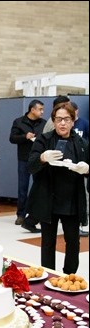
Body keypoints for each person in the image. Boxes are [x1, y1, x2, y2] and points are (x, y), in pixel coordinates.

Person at [26, 102, 89, 275]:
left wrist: (87, 169)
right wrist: (42, 157)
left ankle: (69, 276)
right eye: (59, 119)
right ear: (53, 121)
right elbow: (30, 166)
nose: (62, 123)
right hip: (49, 199)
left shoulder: (82, 143)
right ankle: (49, 275)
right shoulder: (43, 139)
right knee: (48, 242)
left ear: (73, 121)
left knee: (73, 242)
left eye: (66, 119)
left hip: (72, 201)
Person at [9, 99, 46, 232]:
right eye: (40, 109)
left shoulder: (44, 123)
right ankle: (21, 215)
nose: (42, 112)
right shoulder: (19, 122)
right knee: (22, 188)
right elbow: (12, 138)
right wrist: (25, 136)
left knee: (39, 188)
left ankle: (37, 215)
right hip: (24, 158)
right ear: (32, 109)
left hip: (38, 159)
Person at [71, 101, 89, 237]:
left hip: (82, 161)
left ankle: (84, 219)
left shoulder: (84, 123)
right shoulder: (65, 125)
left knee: (83, 192)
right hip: (69, 162)